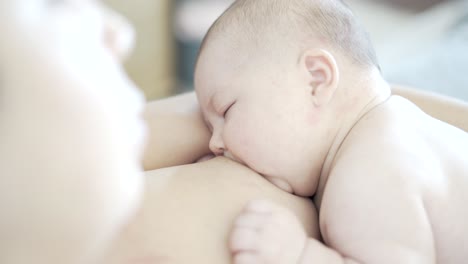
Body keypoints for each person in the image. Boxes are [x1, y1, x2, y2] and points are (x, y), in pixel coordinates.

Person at [194, 0, 468, 263]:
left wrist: (300, 255)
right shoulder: (397, 125)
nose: (214, 143)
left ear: (316, 79)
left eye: (226, 110)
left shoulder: (368, 174)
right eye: (209, 127)